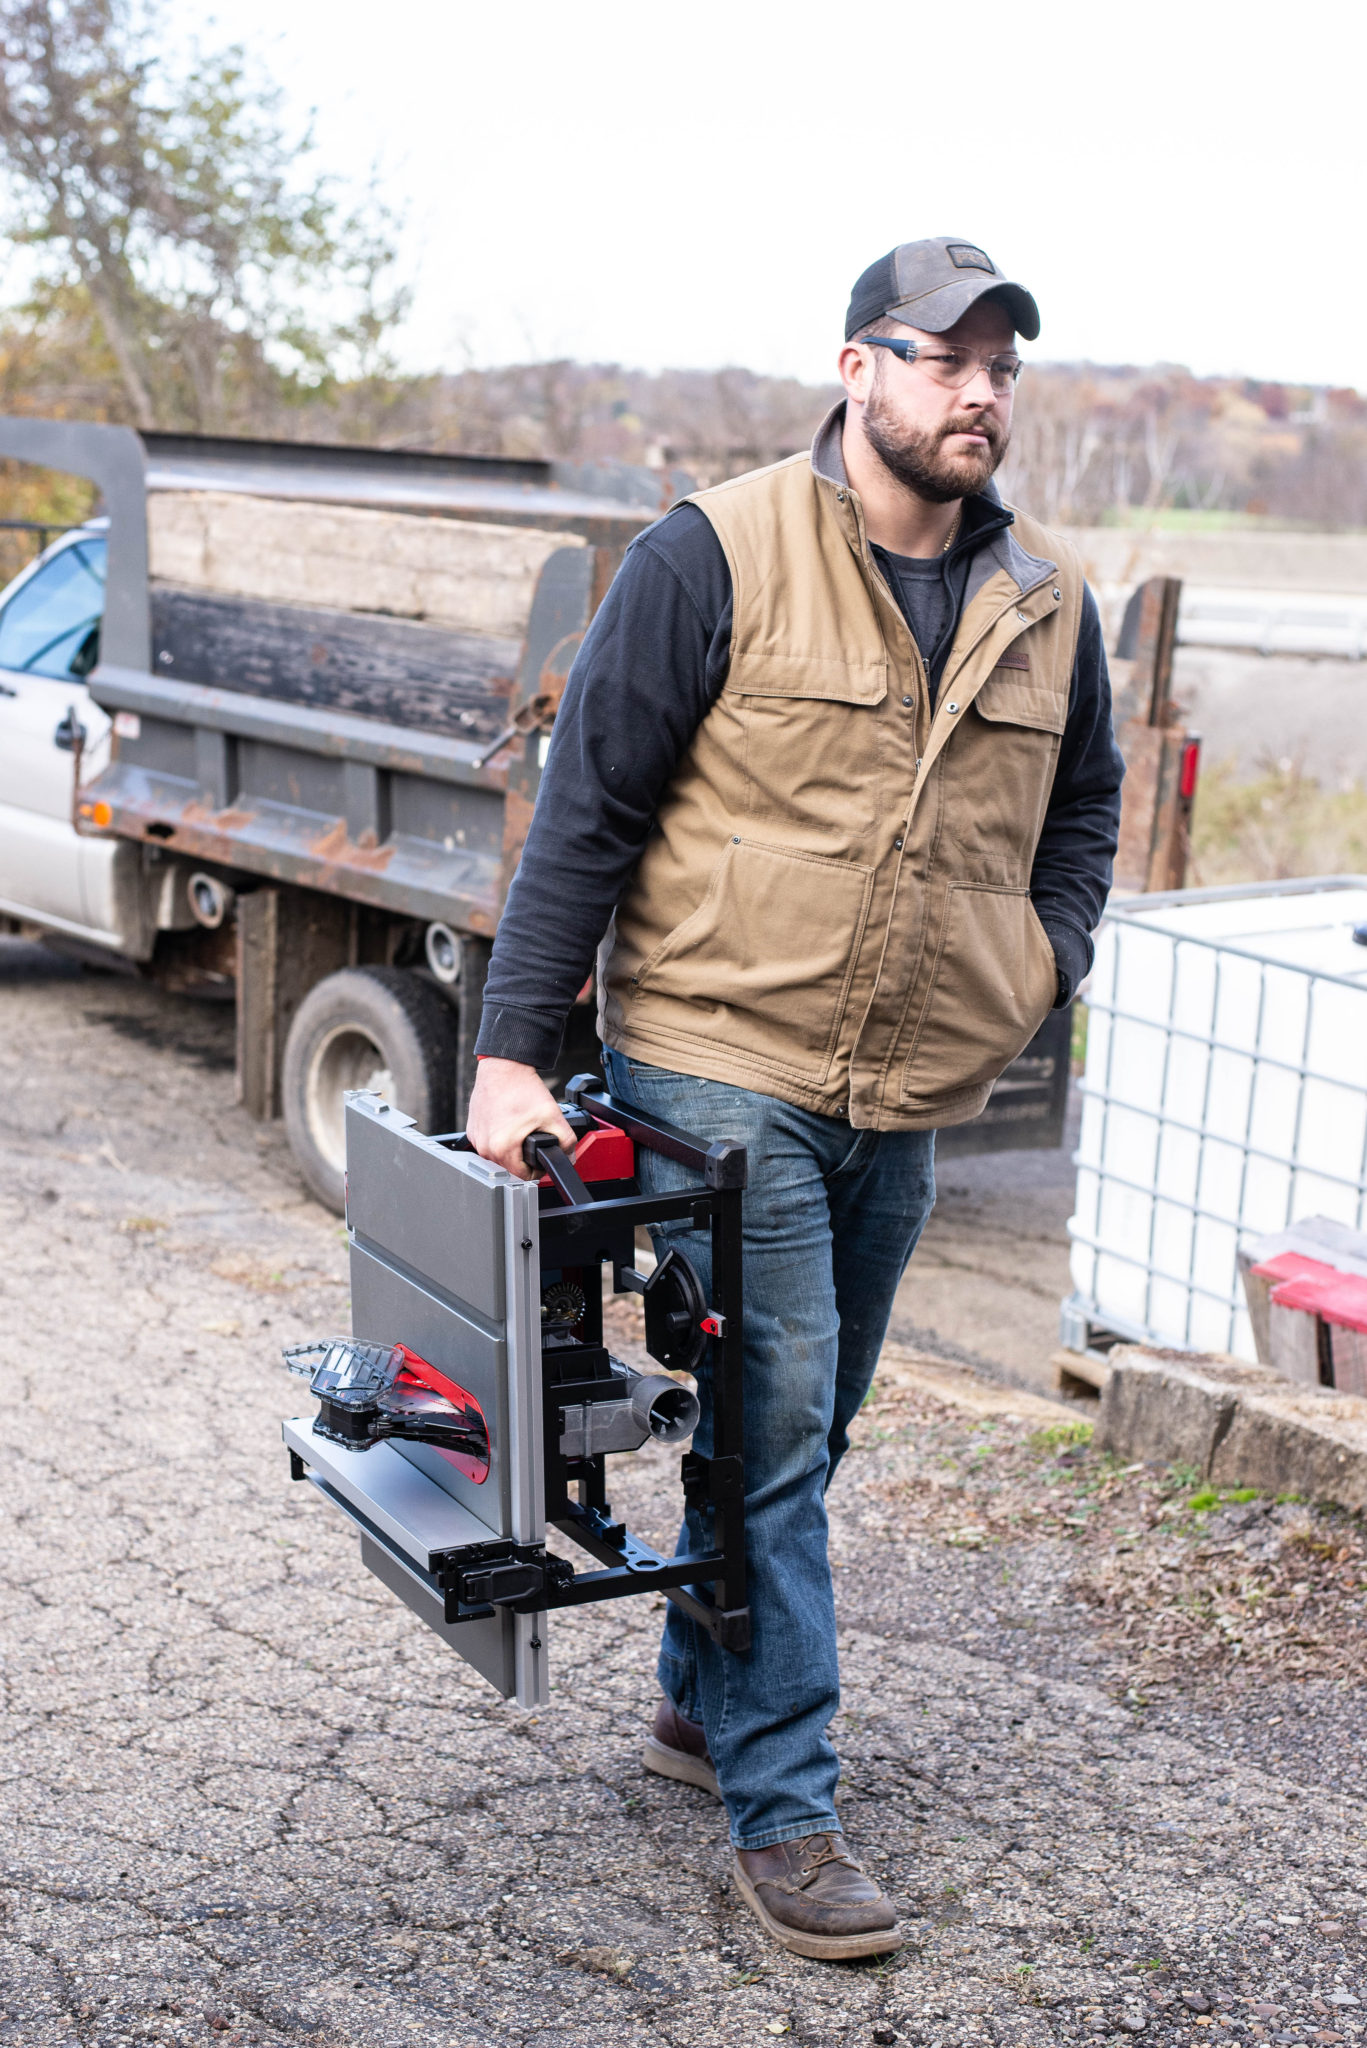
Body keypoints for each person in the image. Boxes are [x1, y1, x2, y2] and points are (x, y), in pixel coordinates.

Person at [467, 236, 1124, 1961]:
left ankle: (699, 1698)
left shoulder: (1044, 609)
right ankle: (788, 1809)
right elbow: (589, 801)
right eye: (943, 355)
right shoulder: (717, 553)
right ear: (858, 367)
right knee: (773, 1437)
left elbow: (1083, 821)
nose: (978, 389)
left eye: (1003, 363)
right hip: (722, 1061)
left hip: (906, 1089)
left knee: (805, 1432)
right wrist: (513, 1052)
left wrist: (1039, 964)